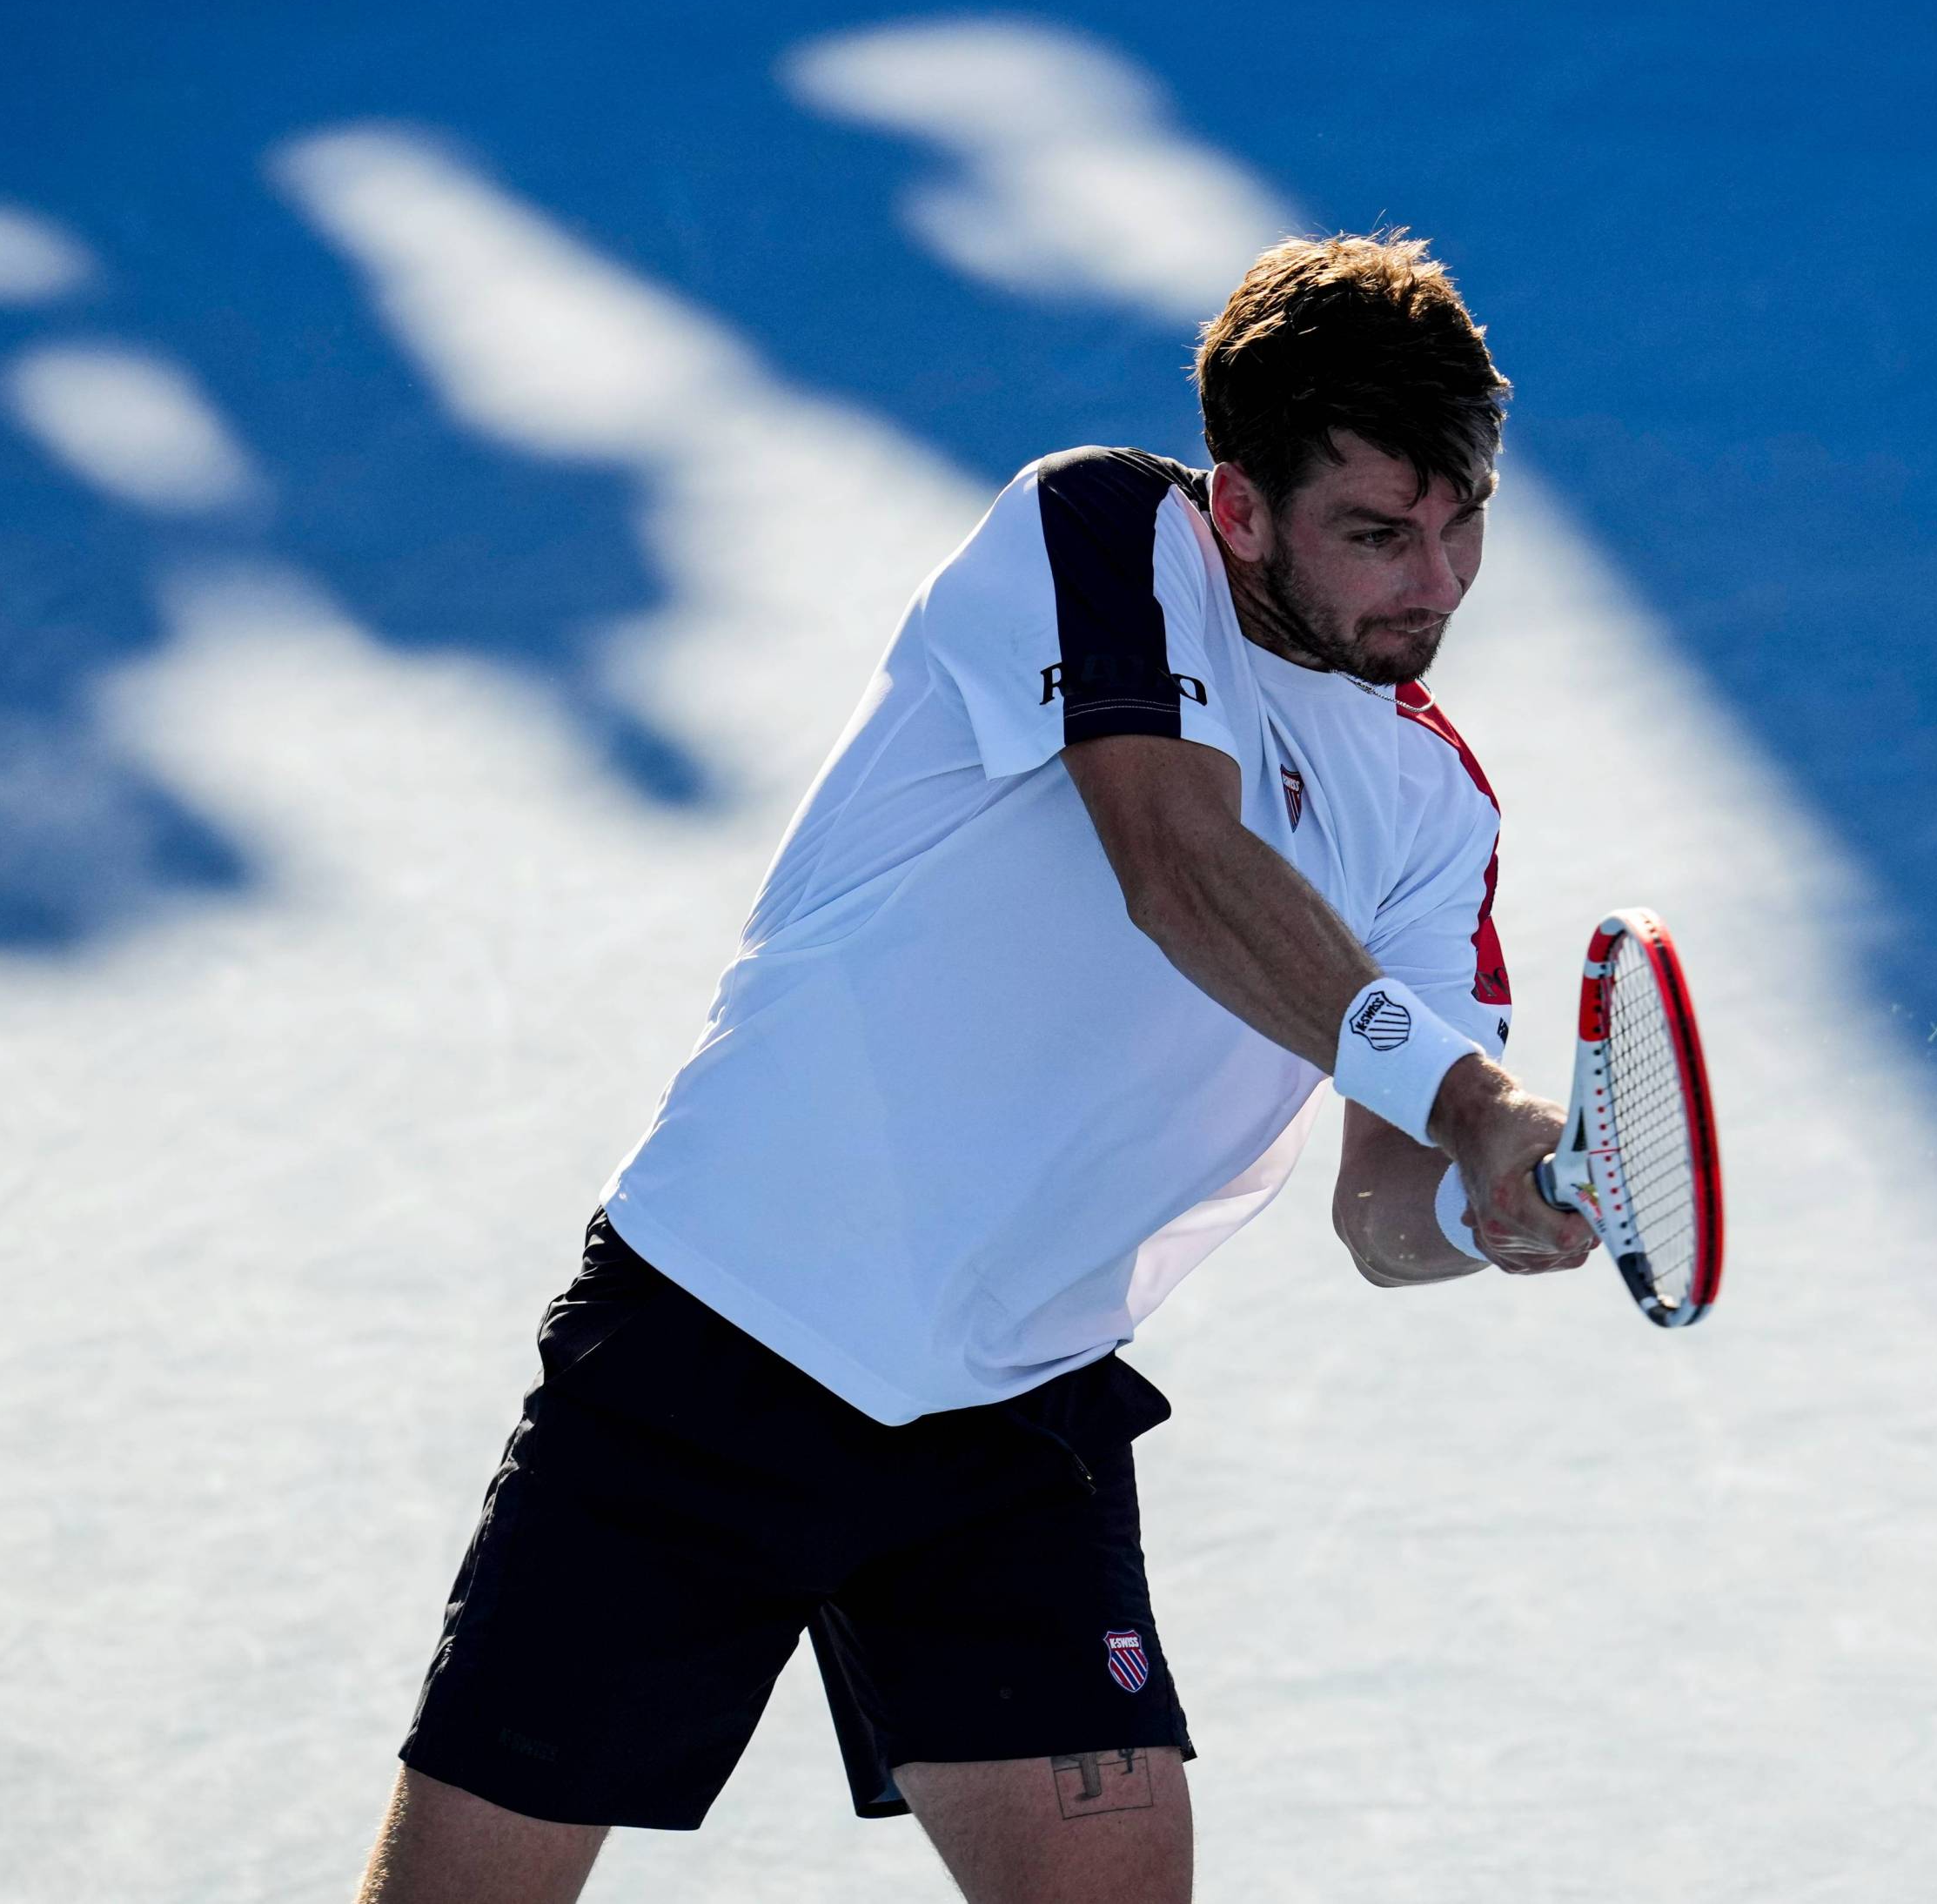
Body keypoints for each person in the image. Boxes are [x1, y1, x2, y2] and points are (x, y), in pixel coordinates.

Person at [354, 231, 1597, 1904]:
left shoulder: (1441, 814)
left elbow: (1383, 1215)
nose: (1431, 582)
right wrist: (1469, 1101)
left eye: (1461, 527)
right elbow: (1173, 861)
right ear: (1238, 508)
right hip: (724, 1332)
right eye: (1375, 533)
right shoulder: (1101, 531)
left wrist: (1503, 1206)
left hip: (1010, 1420)